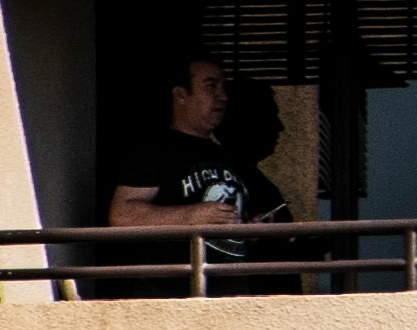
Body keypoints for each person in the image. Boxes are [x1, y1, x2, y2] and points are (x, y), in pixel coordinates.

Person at [105, 49, 293, 263]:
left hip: (230, 288)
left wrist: (248, 229)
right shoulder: (155, 150)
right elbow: (122, 214)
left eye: (223, 87)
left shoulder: (228, 154)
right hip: (177, 288)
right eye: (211, 85)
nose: (222, 96)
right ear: (181, 95)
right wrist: (192, 216)